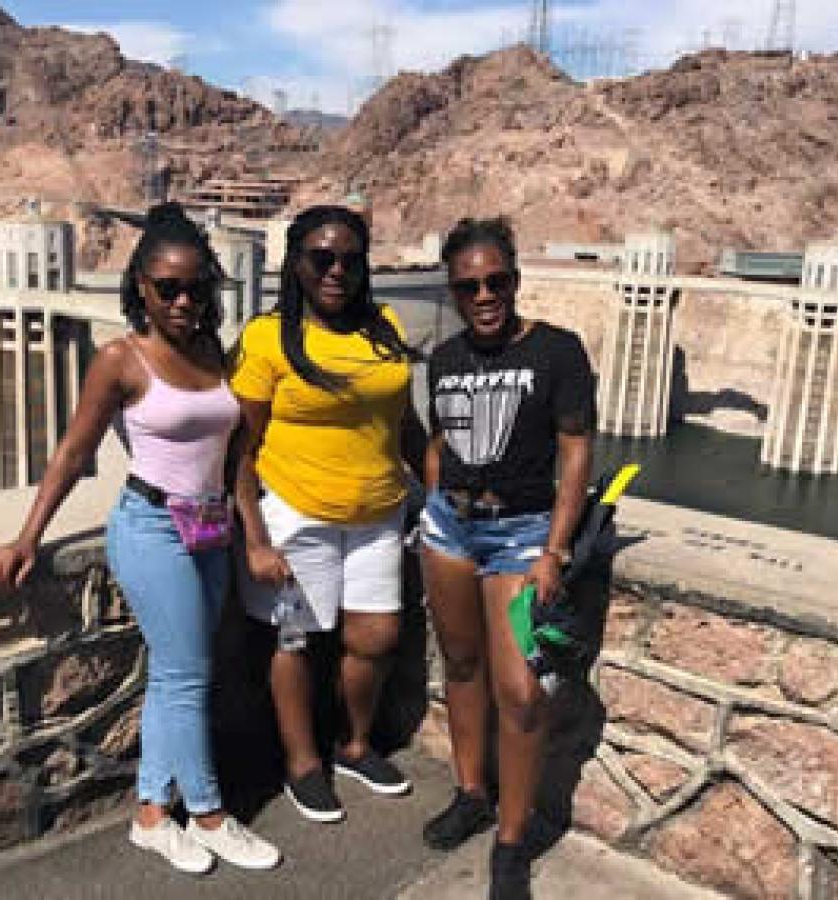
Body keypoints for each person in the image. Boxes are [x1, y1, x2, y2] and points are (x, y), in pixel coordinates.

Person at [0, 203, 279, 876]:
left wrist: (249, 533)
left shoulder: (210, 352)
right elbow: (72, 453)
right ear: (140, 284)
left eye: (197, 287)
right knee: (188, 676)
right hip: (150, 528)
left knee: (175, 678)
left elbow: (237, 461)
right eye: (168, 287)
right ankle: (207, 814)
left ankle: (148, 814)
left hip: (208, 526)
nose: (183, 300)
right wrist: (28, 537)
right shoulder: (121, 358)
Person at [231, 204, 425, 824]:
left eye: (349, 258)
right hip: (295, 511)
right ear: (297, 263)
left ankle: (355, 745)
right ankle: (302, 763)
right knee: (293, 639)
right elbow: (240, 449)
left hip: (379, 511)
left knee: (377, 637)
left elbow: (406, 425)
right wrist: (254, 537)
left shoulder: (384, 326)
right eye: (321, 257)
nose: (335, 270)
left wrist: (446, 490)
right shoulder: (267, 337)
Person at [418, 217, 594, 899]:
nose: (484, 294)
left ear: (515, 280)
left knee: (521, 691)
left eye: (497, 281)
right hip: (450, 530)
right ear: (454, 291)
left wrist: (555, 548)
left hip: (523, 535)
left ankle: (513, 840)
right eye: (469, 285)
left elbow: (576, 449)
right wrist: (435, 503)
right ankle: (471, 794)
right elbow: (439, 440)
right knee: (461, 666)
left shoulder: (557, 352)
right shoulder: (447, 357)